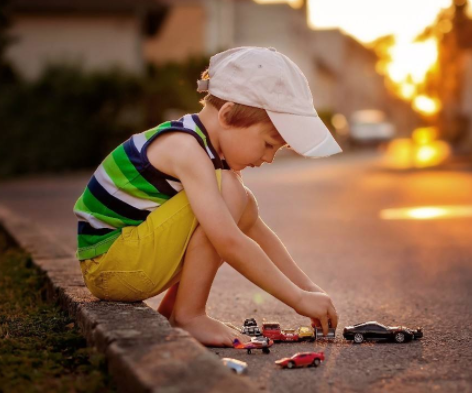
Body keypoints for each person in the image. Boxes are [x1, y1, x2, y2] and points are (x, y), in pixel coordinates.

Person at [73, 47, 341, 347]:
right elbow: (228, 241)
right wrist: (297, 299)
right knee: (230, 192)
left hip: (124, 262)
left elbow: (256, 231)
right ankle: (189, 316)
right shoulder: (186, 148)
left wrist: (310, 290)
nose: (268, 159)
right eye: (268, 144)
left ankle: (179, 310)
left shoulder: (202, 150)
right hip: (113, 265)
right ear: (227, 115)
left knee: (240, 201)